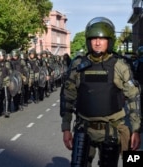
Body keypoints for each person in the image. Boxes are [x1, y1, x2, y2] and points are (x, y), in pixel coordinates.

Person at [60, 17, 141, 167]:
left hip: (111, 131)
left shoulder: (120, 66)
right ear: (88, 41)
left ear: (109, 41)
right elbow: (67, 98)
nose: (97, 42)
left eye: (102, 39)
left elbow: (133, 98)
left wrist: (136, 130)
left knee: (127, 161)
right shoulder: (78, 66)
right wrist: (66, 128)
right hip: (84, 128)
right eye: (94, 38)